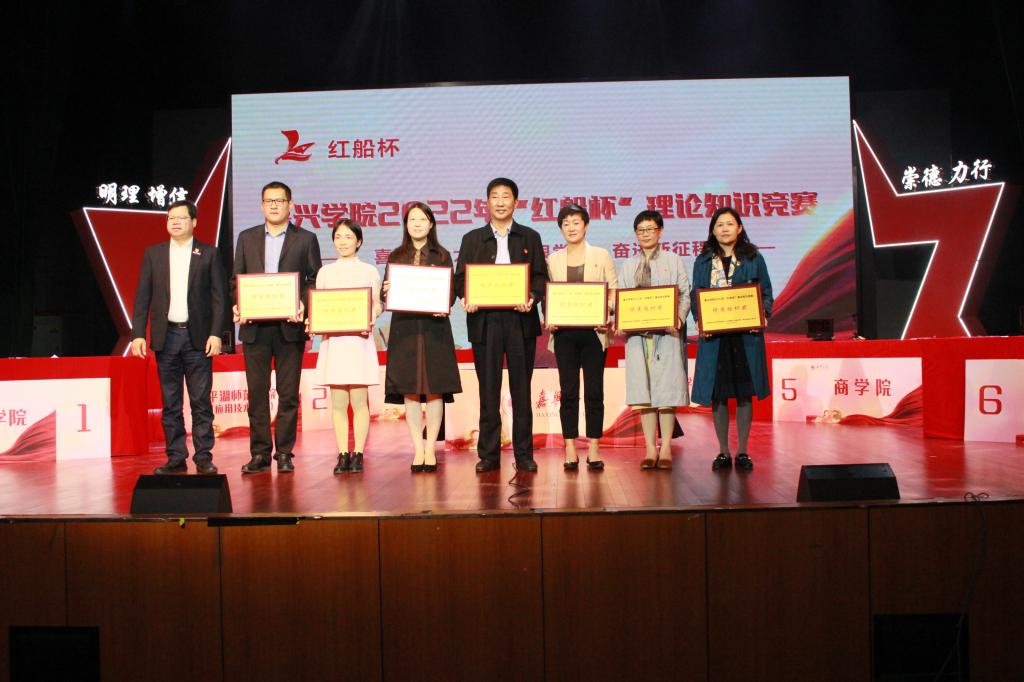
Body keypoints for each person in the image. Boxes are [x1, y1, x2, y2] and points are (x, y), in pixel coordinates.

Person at [453, 178, 548, 473]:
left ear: (516, 202)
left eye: (506, 196)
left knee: (521, 390)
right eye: (495, 196)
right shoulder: (472, 239)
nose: (500, 202)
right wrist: (466, 297)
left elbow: (540, 277)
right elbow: (460, 278)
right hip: (485, 323)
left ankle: (524, 454)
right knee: (488, 390)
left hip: (521, 321)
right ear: (487, 202)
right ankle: (489, 455)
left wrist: (532, 298)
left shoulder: (530, 237)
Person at [231, 181, 322, 474]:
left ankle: (284, 453)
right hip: (255, 328)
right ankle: (259, 453)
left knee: (288, 394)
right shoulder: (246, 238)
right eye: (269, 201)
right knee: (257, 394)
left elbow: (314, 279)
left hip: (289, 328)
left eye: (279, 201)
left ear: (290, 205)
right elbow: (236, 279)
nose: (274, 205)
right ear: (261, 205)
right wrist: (239, 304)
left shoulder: (305, 239)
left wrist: (303, 304)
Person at [130, 199, 225, 475]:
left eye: (181, 218)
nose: (175, 222)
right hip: (166, 336)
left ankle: (203, 457)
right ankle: (175, 456)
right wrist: (138, 334)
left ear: (194, 222)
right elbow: (142, 297)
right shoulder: (154, 254)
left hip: (198, 338)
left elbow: (220, 298)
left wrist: (216, 333)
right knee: (170, 403)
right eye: (171, 218)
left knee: (200, 402)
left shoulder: (208, 253)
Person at [691, 206, 773, 472]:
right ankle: (724, 451)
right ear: (713, 231)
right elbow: (695, 295)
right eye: (719, 225)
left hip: (745, 338)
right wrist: (700, 319)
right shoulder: (703, 260)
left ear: (739, 228)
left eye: (729, 224)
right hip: (715, 339)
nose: (724, 229)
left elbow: (766, 291)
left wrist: (763, 314)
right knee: (719, 395)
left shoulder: (753, 257)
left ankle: (743, 451)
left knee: (745, 394)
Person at [382, 203, 461, 473]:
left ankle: (430, 448)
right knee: (411, 389)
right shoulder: (396, 255)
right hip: (405, 329)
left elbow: (450, 292)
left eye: (422, 219)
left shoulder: (442, 255)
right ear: (406, 225)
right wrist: (386, 291)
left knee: (435, 387)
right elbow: (386, 293)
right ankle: (418, 448)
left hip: (434, 329)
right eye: (412, 219)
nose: (417, 224)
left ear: (431, 224)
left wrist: (444, 301)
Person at [616, 210, 691, 470]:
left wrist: (679, 318)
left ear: (660, 231)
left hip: (667, 335)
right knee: (643, 395)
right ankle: (650, 449)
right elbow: (622, 298)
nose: (645, 234)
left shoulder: (673, 260)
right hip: (638, 338)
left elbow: (684, 293)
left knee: (666, 393)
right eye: (641, 230)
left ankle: (666, 447)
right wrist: (620, 319)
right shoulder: (628, 265)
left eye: (650, 229)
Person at [545, 204, 617, 471]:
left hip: (594, 334)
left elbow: (613, 292)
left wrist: (605, 311)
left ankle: (594, 447)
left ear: (586, 225)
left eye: (576, 222)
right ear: (561, 229)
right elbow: (548, 296)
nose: (571, 228)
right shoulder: (552, 260)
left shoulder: (601, 255)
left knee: (594, 391)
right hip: (564, 335)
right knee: (569, 392)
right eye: (566, 223)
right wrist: (549, 316)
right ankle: (570, 448)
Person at [313, 219, 381, 474]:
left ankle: (359, 453)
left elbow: (377, 304)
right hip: (335, 343)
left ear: (359, 241)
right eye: (338, 237)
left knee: (360, 401)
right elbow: (319, 305)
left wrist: (371, 316)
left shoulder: (369, 271)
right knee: (339, 402)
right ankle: (343, 453)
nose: (343, 242)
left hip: (359, 342)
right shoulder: (325, 272)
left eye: (348, 237)